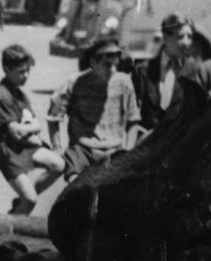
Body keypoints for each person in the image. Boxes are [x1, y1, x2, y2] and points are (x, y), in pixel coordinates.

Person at [0, 44, 65, 216]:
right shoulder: (0, 95)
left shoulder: (20, 95)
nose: (26, 75)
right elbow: (16, 132)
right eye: (21, 72)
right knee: (31, 200)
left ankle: (21, 201)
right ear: (6, 69)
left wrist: (31, 128)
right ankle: (15, 222)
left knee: (58, 165)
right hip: (6, 150)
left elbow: (29, 127)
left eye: (28, 70)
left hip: (23, 146)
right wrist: (33, 127)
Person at [47, 35, 141, 181]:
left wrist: (128, 151)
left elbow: (133, 120)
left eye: (116, 65)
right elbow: (53, 117)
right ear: (92, 62)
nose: (113, 70)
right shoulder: (74, 82)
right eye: (107, 65)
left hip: (114, 149)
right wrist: (57, 148)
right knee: (76, 189)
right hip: (82, 150)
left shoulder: (124, 82)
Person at [130, 14, 211, 139]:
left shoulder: (194, 71)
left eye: (190, 37)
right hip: (147, 141)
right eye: (180, 37)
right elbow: (133, 115)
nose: (186, 43)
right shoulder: (143, 71)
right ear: (165, 37)